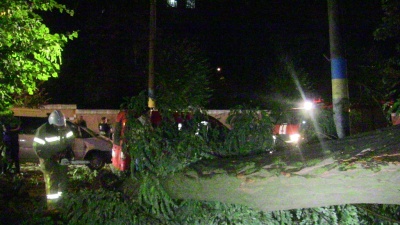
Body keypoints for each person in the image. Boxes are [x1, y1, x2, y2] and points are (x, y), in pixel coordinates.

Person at [33, 110, 74, 210]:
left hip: (61, 158)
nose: (60, 128)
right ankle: (52, 207)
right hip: (48, 159)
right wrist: (51, 156)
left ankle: (63, 202)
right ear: (52, 123)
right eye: (58, 126)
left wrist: (66, 151)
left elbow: (71, 140)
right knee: (52, 180)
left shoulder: (66, 128)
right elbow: (38, 149)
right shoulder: (42, 130)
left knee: (63, 179)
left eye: (61, 126)